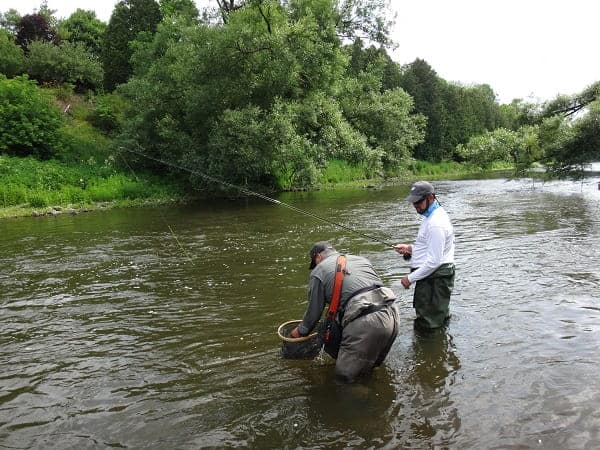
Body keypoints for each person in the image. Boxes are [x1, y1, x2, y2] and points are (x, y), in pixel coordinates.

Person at [290, 242, 399, 383]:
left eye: (315, 262)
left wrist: (299, 332)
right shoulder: (361, 260)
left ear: (318, 257)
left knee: (344, 380)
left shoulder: (319, 271)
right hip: (392, 314)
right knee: (369, 371)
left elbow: (313, 314)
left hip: (365, 320)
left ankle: (359, 401)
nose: (315, 266)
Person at [394, 181, 455, 329]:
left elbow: (434, 261)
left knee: (428, 325)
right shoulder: (432, 216)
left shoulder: (436, 224)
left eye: (419, 201)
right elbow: (432, 248)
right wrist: (410, 248)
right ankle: (441, 344)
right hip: (433, 278)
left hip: (434, 280)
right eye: (413, 201)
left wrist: (409, 279)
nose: (415, 205)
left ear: (431, 198)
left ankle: (431, 348)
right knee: (439, 319)